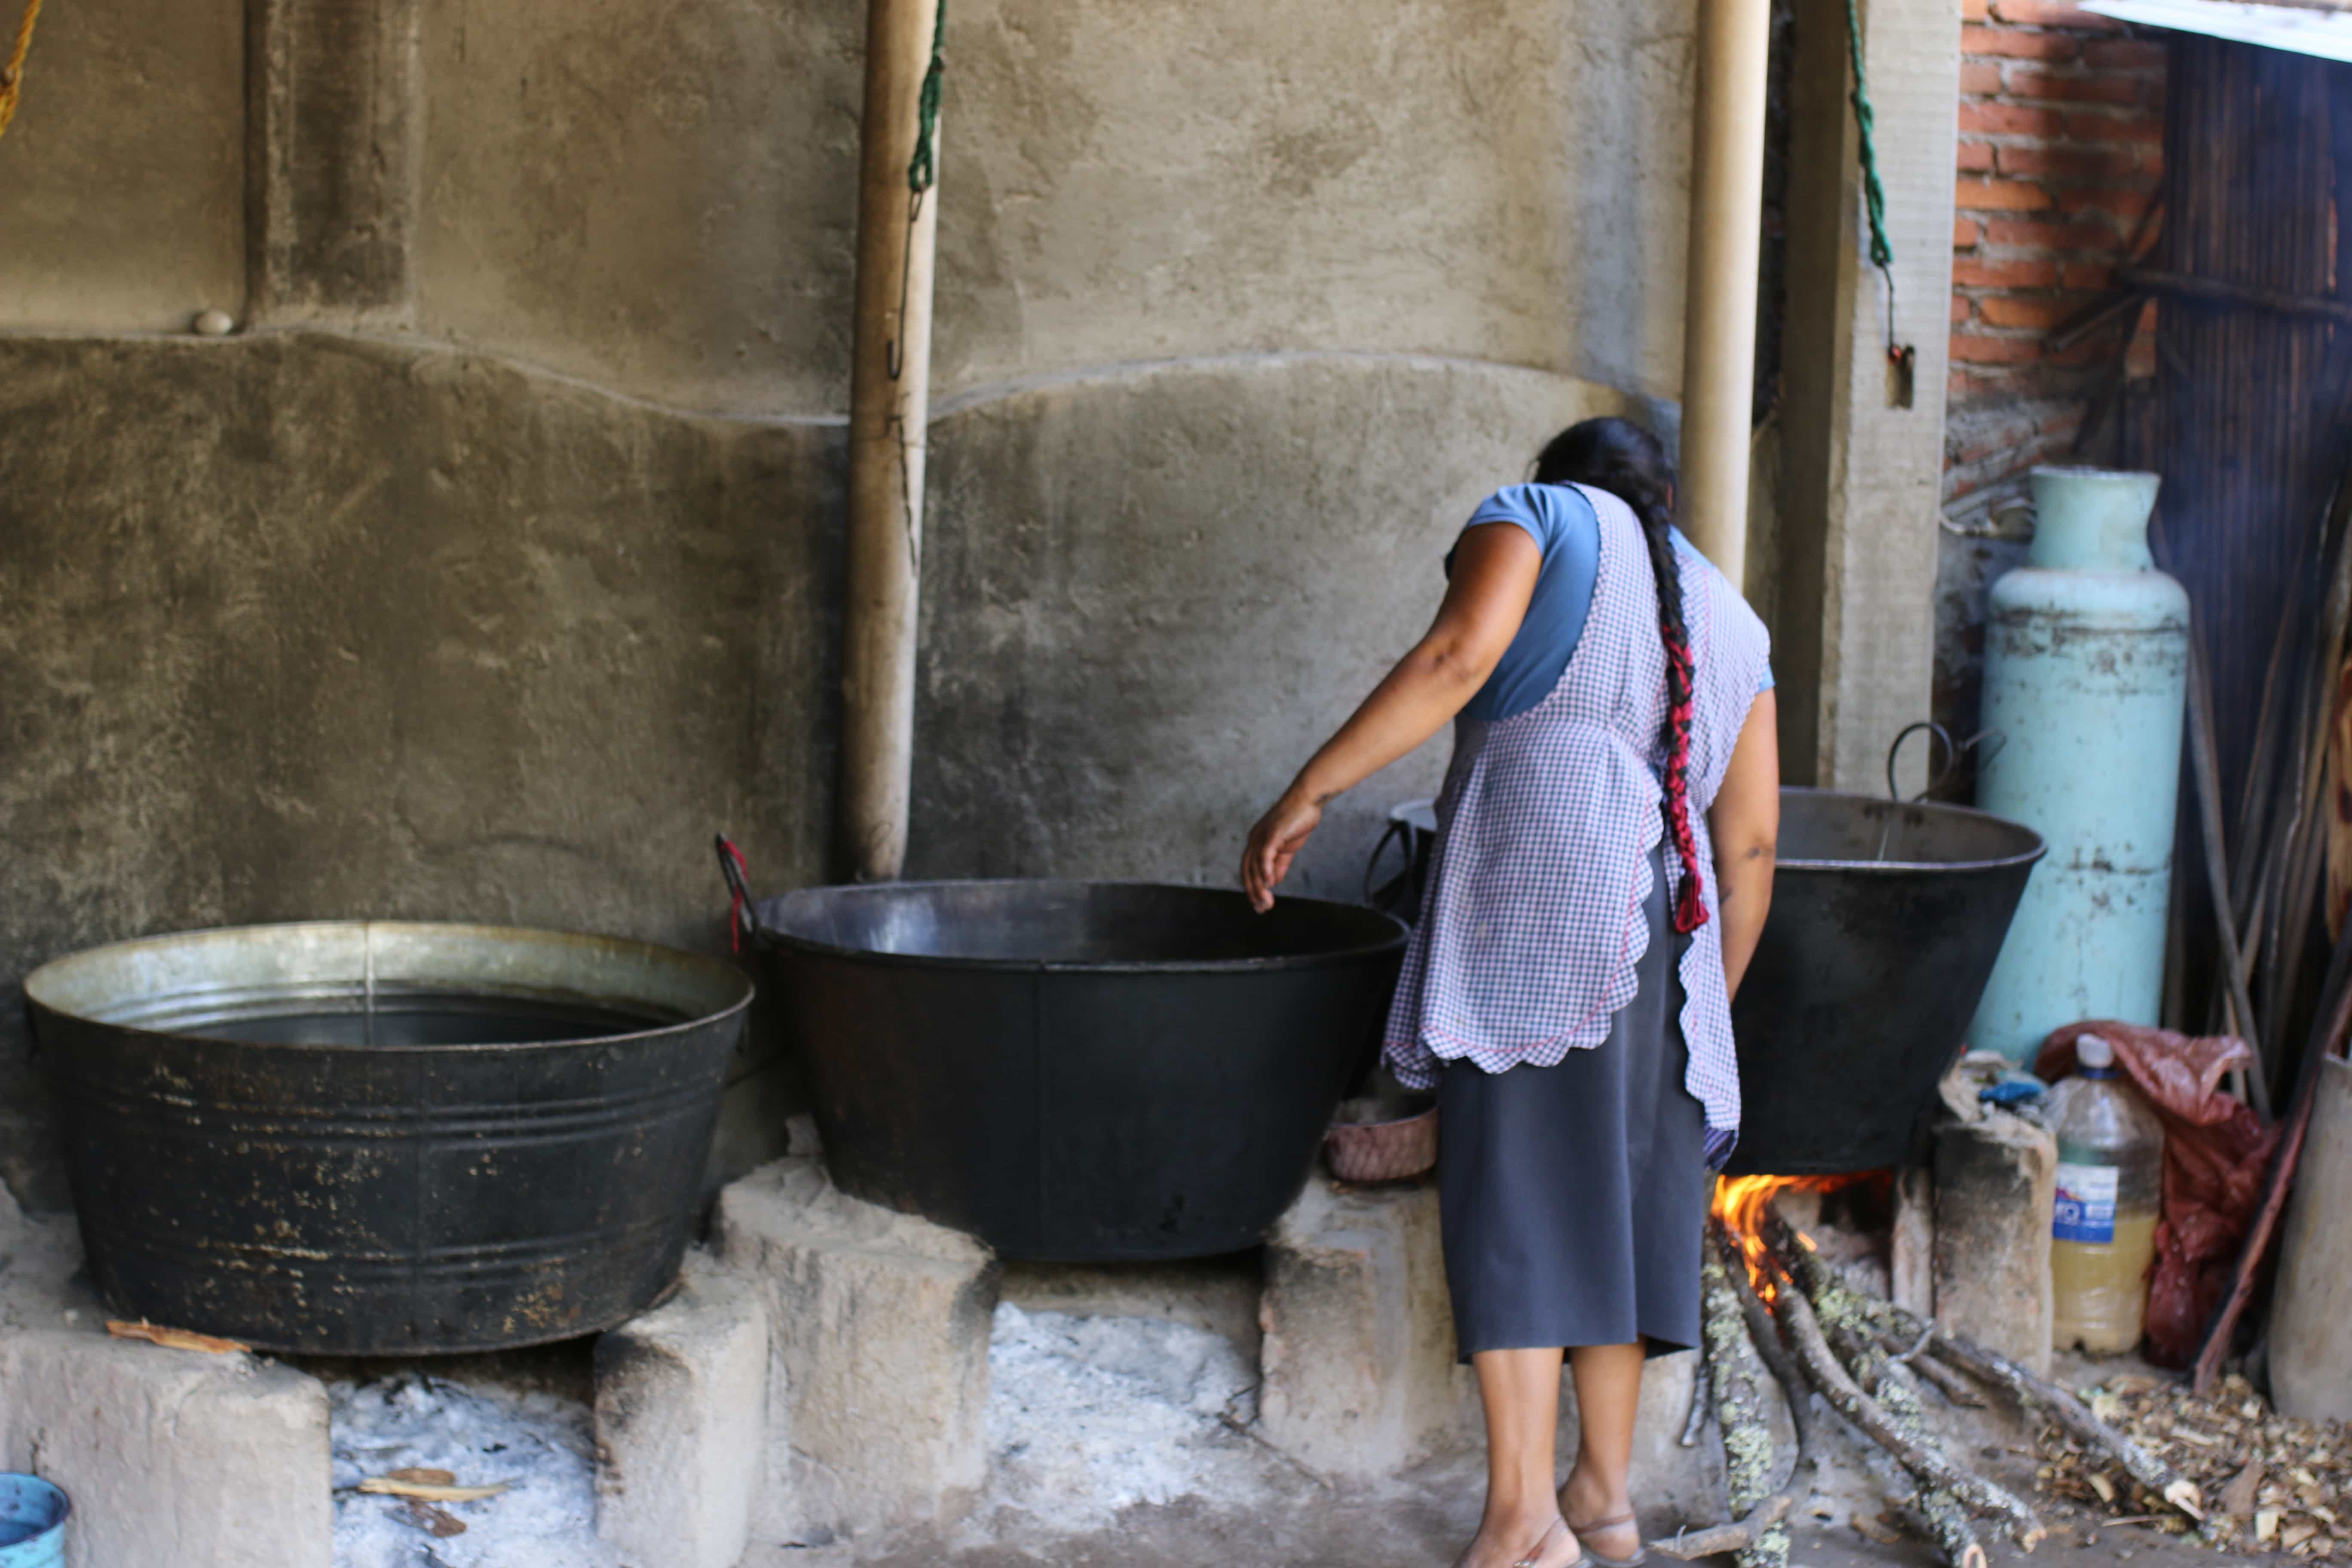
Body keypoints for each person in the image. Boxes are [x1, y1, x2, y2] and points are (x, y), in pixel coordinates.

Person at [1240, 418, 1779, 1568]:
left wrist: (1310, 790)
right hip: (1675, 948)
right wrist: (1703, 1004)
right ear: (1666, 499)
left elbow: (1455, 659)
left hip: (1550, 907)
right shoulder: (1732, 616)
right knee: (1625, 1221)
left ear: (1559, 483)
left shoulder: (1534, 518)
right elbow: (1755, 850)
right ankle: (1601, 1501)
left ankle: (1523, 1522)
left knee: (1524, 1204)